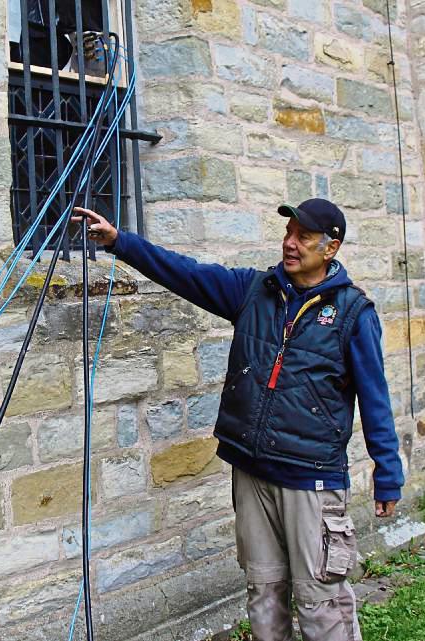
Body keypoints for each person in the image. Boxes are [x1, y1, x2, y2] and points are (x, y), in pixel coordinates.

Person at [73, 199, 404, 641]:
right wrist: (120, 243)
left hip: (312, 479)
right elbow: (186, 273)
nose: (290, 243)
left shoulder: (352, 313)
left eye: (303, 237)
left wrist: (388, 475)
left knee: (320, 600)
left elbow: (374, 398)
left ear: (330, 248)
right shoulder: (254, 291)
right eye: (288, 233)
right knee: (264, 594)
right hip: (251, 471)